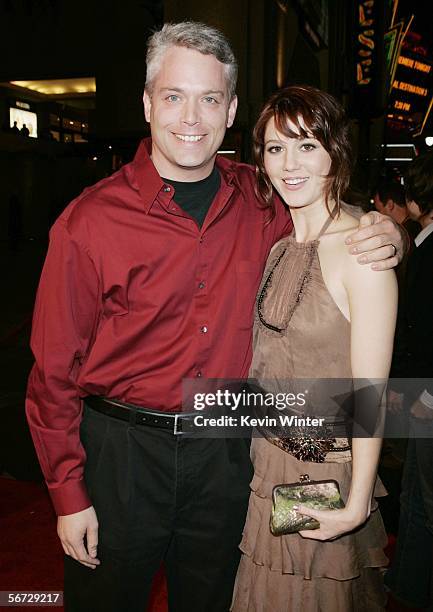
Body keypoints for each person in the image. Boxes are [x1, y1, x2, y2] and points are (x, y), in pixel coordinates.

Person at [26, 22, 404, 612]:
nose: (191, 118)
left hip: (231, 451)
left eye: (209, 99)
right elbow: (52, 372)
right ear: (148, 103)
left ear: (230, 111)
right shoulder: (89, 223)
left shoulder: (263, 199)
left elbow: (329, 218)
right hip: (122, 457)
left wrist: (390, 234)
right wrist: (69, 495)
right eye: (174, 96)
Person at [231, 85, 398, 611]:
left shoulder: (362, 252)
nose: (290, 162)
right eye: (276, 148)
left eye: (307, 145)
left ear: (335, 152)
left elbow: (370, 392)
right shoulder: (280, 245)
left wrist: (356, 504)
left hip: (325, 475)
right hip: (268, 471)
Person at [384, 151, 433, 609]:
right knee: (415, 493)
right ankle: (406, 586)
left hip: (426, 395)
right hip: (419, 392)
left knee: (425, 498)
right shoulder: (420, 241)